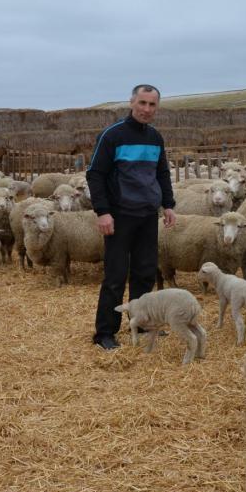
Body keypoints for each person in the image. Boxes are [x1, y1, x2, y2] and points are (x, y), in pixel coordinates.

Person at [86, 84, 176, 350]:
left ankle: (141, 321)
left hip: (148, 214)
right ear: (131, 103)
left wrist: (168, 204)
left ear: (157, 107)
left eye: (152, 105)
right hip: (120, 214)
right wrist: (103, 211)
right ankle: (104, 332)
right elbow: (95, 174)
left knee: (145, 273)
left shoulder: (155, 137)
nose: (147, 109)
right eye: (142, 103)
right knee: (115, 275)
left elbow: (162, 173)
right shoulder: (113, 135)